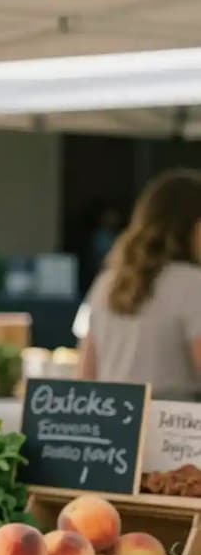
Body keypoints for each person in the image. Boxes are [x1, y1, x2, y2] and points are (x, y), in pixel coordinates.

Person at [76, 170, 201, 399]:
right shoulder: (193, 284)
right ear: (193, 226)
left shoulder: (107, 281)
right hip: (173, 424)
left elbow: (86, 375)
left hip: (109, 422)